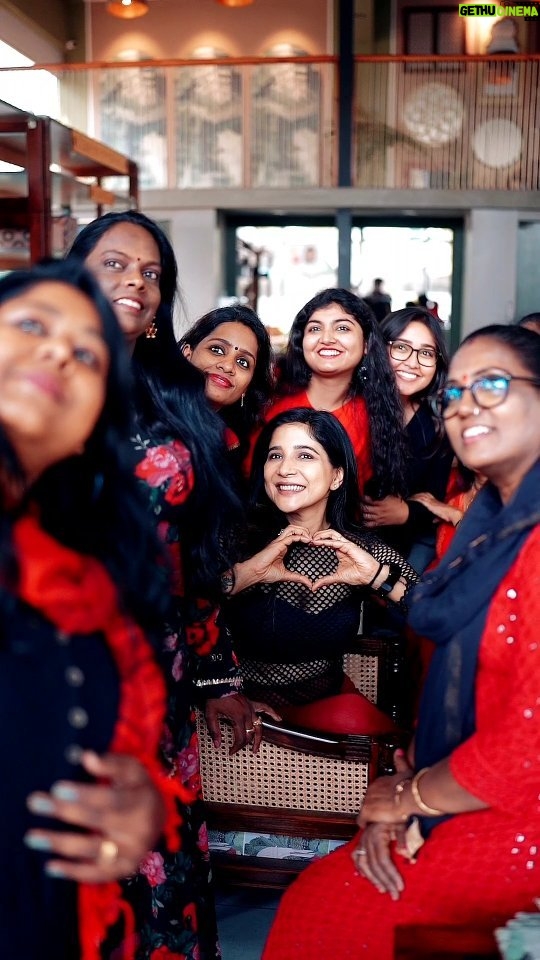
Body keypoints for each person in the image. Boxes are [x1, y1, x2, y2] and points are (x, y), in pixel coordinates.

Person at [262, 323, 540, 960]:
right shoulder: (490, 530)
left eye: (492, 385)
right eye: (458, 392)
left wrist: (406, 800)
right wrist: (409, 786)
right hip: (466, 783)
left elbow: (529, 743)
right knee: (321, 894)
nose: (466, 404)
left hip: (522, 816)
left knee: (324, 910)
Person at [69, 211, 262, 960]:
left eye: (152, 275)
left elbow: (199, 553)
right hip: (48, 668)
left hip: (155, 678)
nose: (135, 283)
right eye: (116, 264)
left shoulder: (180, 403)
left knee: (153, 862)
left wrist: (217, 675)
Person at [0, 259, 180, 960]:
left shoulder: (89, 585)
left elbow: (103, 745)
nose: (56, 353)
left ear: (88, 428)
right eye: (32, 326)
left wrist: (135, 801)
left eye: (86, 355)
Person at [222, 409, 418, 735]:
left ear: (337, 476)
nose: (285, 469)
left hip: (330, 706)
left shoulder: (359, 548)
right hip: (240, 711)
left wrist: (377, 577)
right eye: (275, 455)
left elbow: (439, 611)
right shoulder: (235, 537)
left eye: (305, 455)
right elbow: (177, 613)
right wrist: (244, 575)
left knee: (365, 726)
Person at [255, 288, 408, 499]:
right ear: (301, 342)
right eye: (315, 329)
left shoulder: (376, 414)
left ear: (366, 344)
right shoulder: (271, 393)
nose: (327, 338)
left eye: (342, 328)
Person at [362, 306, 452, 573]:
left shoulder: (437, 423)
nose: (412, 362)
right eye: (401, 347)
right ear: (380, 349)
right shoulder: (354, 404)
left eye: (426, 353)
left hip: (403, 546)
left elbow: (433, 498)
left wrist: (406, 513)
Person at [179, 303, 273, 464]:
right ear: (187, 354)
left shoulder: (230, 444)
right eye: (217, 350)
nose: (228, 366)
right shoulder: (144, 413)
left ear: (248, 386)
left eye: (243, 362)